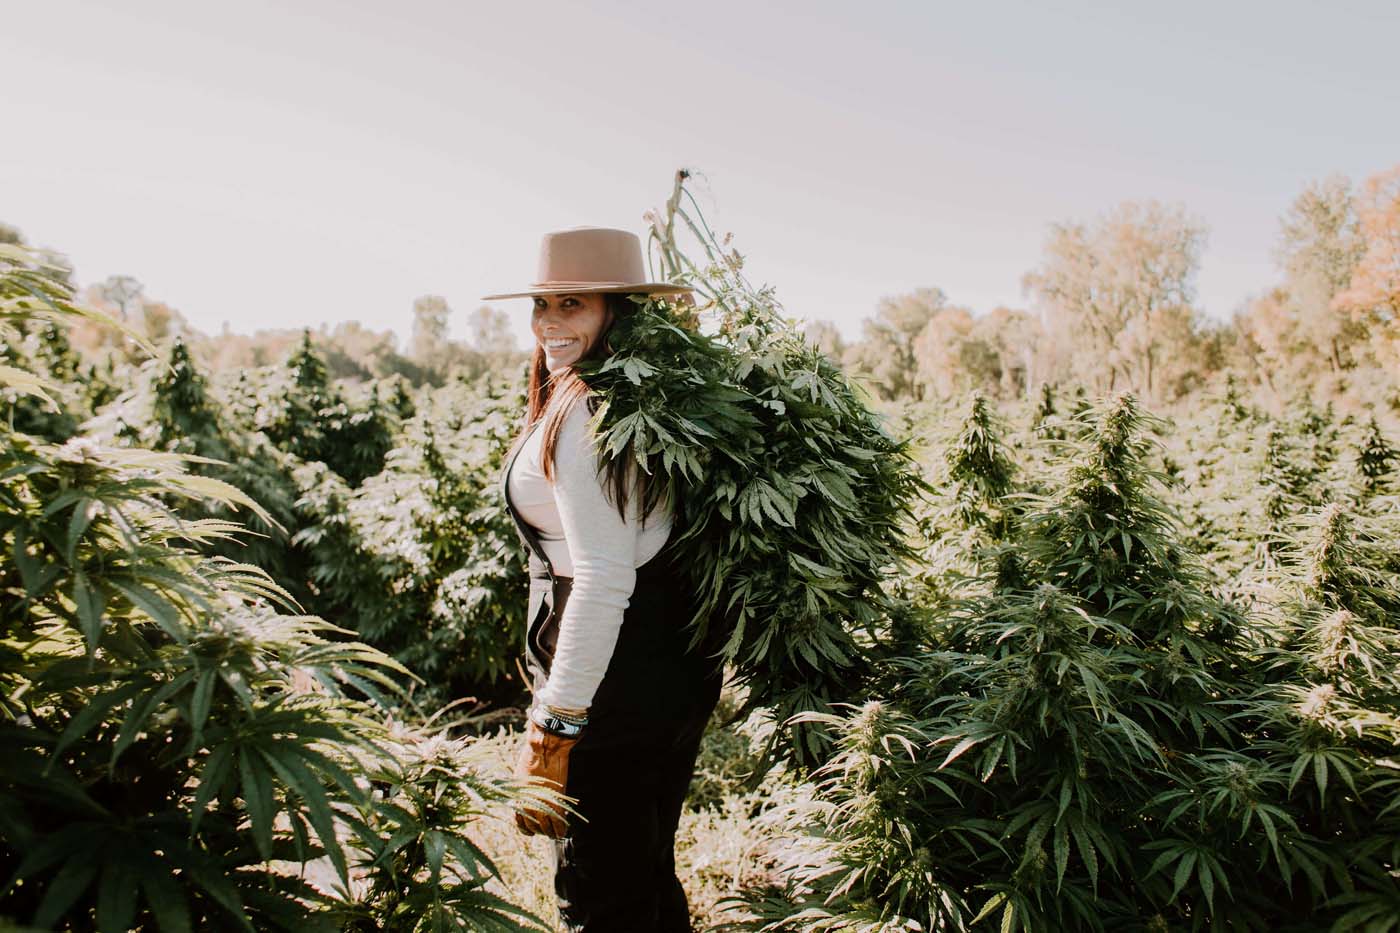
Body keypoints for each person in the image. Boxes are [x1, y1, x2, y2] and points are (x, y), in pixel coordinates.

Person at [485, 227, 725, 932]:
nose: (549, 323)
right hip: (667, 665)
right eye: (542, 304)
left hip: (612, 679)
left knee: (601, 894)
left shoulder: (589, 410)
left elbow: (599, 579)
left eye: (572, 304)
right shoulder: (638, 400)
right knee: (644, 871)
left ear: (615, 314)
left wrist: (553, 728)